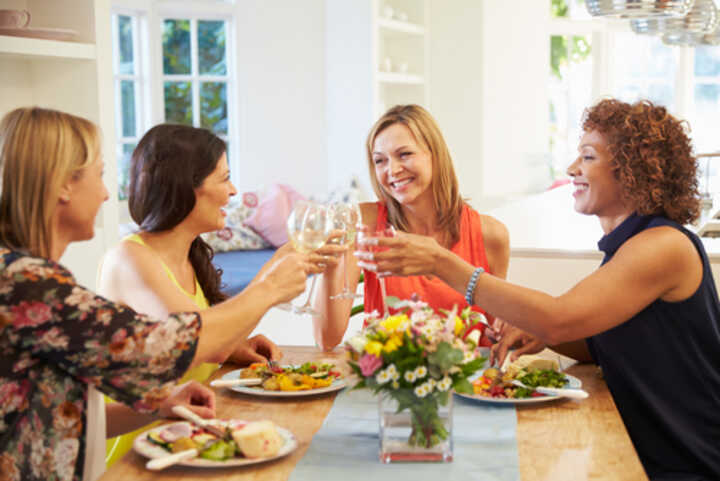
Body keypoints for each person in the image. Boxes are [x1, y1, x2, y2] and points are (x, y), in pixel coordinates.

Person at [355, 98, 720, 480]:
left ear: (632, 169)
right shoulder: (630, 247)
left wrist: (441, 263)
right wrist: (540, 334)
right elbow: (597, 342)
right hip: (644, 454)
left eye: (588, 157)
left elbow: (561, 319)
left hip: (687, 464)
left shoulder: (662, 247)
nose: (572, 169)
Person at [0, 107, 311, 481]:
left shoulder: (26, 277)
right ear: (63, 185)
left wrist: (159, 407)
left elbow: (59, 415)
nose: (104, 194)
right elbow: (161, 347)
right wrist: (270, 288)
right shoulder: (25, 284)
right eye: (100, 175)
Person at [97, 123, 326, 465]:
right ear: (186, 187)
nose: (233, 191)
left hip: (191, 443)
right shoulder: (129, 259)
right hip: (141, 456)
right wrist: (270, 286)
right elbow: (199, 341)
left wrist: (237, 346)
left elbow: (210, 337)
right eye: (224, 178)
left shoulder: (191, 254)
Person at [313, 104, 510, 350]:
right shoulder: (364, 223)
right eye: (380, 160)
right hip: (388, 379)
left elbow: (499, 328)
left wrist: (501, 330)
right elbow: (326, 339)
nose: (392, 170)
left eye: (404, 154)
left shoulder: (490, 235)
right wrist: (331, 255)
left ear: (435, 154)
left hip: (465, 381)